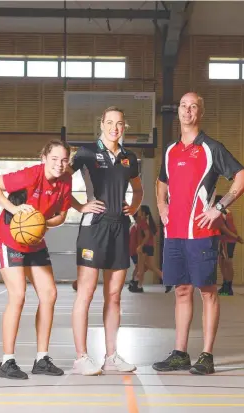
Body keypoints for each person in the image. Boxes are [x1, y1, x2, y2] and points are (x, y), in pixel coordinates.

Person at [153, 92, 244, 375]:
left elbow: (243, 178)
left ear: (200, 112)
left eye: (193, 106)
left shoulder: (211, 148)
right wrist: (161, 205)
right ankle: (180, 353)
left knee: (207, 292)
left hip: (201, 233)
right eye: (183, 105)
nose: (187, 110)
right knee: (181, 291)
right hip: (174, 234)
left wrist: (219, 207)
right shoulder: (170, 150)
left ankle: (206, 355)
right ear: (178, 110)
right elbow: (161, 182)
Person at [0, 140, 72, 380]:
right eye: (54, 159)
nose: (59, 164)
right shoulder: (30, 175)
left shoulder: (66, 181)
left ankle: (41, 359)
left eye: (64, 160)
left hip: (34, 240)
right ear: (44, 158)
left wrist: (42, 222)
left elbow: (61, 215)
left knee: (49, 294)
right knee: (18, 295)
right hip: (9, 238)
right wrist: (13, 208)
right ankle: (6, 361)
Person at [67, 106, 143, 375]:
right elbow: (62, 181)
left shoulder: (129, 157)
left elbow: (139, 188)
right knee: (86, 294)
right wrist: (79, 206)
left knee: (114, 295)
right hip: (93, 228)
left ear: (125, 126)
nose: (115, 128)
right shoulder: (87, 152)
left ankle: (111, 356)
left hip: (120, 228)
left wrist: (132, 208)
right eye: (110, 122)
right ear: (101, 124)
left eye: (120, 123)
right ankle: (81, 357)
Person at [129, 205, 172, 293]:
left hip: (144, 248)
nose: (138, 212)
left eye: (140, 211)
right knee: (151, 267)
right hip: (150, 247)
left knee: (141, 268)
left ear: (144, 213)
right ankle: (168, 281)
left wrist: (141, 246)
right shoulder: (148, 222)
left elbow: (147, 235)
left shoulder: (143, 223)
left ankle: (139, 286)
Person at [214, 195, 244, 296]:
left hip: (227, 239)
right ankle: (225, 284)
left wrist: (236, 237)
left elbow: (225, 229)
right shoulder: (226, 211)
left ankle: (228, 287)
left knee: (226, 263)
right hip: (227, 239)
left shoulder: (221, 213)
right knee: (223, 262)